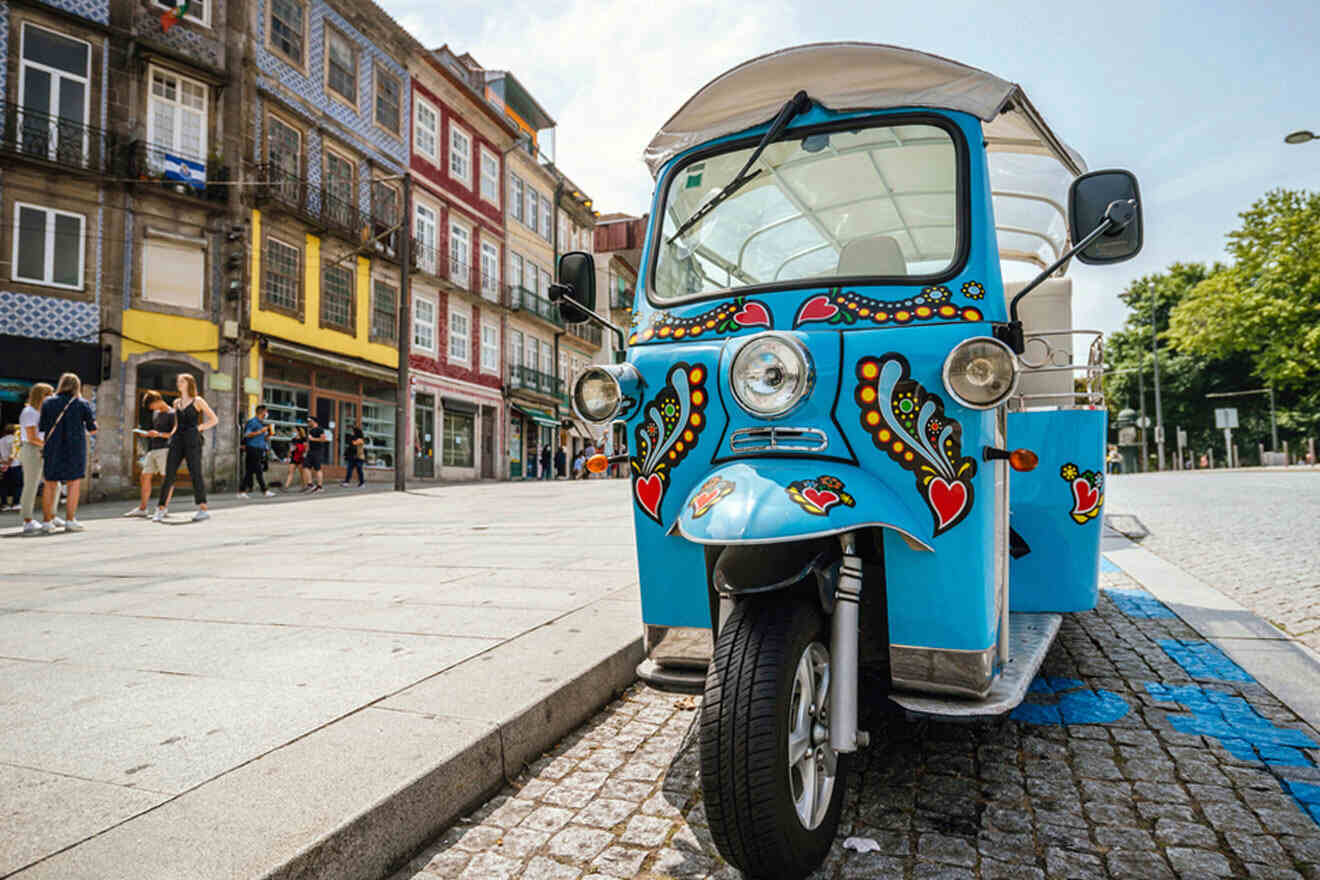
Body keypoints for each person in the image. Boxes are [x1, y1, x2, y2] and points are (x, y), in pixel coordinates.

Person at [153, 373, 219, 522]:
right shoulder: (176, 402)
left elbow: (214, 419)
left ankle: (203, 508)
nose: (179, 383)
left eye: (182, 381)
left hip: (192, 440)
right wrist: (170, 435)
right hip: (176, 440)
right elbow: (176, 423)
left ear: (189, 383)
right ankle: (161, 508)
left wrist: (199, 428)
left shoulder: (198, 401)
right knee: (169, 473)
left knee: (195, 473)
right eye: (178, 381)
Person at [38, 372, 97, 533]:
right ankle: (70, 520)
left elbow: (42, 427)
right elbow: (93, 429)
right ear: (77, 386)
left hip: (53, 447)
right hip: (75, 448)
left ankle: (46, 522)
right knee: (73, 484)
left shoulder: (48, 403)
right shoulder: (82, 403)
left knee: (50, 484)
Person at [124, 391, 177, 517]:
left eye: (151, 406)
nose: (151, 409)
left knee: (167, 479)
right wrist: (147, 434)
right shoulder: (156, 414)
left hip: (166, 449)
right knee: (145, 476)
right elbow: (157, 431)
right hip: (153, 449)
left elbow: (175, 435)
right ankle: (143, 509)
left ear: (157, 400)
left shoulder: (173, 414)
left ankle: (163, 508)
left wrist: (158, 434)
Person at [17, 384, 53, 535]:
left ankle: (52, 515)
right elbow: (31, 437)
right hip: (32, 450)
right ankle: (27, 520)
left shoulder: (41, 412)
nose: (51, 397)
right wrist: (47, 444)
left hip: (42, 448)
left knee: (53, 482)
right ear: (41, 395)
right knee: (31, 485)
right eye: (49, 394)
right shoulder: (29, 412)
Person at [239, 405, 275, 499]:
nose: (266, 414)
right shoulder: (253, 422)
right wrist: (260, 431)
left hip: (259, 448)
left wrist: (269, 434)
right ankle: (264, 490)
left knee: (251, 470)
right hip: (253, 448)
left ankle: (243, 490)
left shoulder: (261, 423)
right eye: (266, 412)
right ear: (261, 412)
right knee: (257, 470)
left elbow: (263, 437)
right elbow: (247, 434)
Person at [303, 415, 328, 492]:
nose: (308, 423)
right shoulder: (310, 430)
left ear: (313, 421)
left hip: (318, 451)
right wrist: (306, 449)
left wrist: (313, 439)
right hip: (310, 451)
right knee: (306, 466)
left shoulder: (319, 429)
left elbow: (324, 439)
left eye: (309, 421)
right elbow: (309, 441)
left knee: (318, 468)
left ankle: (320, 487)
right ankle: (310, 484)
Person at [0, 424, 19, 510]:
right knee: (18, 485)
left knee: (4, 485)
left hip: (3, 465)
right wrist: (9, 462)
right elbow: (13, 453)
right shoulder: (15, 440)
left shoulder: (1, 440)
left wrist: (3, 462)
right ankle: (16, 503)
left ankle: (4, 504)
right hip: (15, 465)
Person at [341, 423, 366, 487]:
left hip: (359, 457)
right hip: (352, 456)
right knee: (349, 470)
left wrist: (351, 438)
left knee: (359, 470)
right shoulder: (352, 438)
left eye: (353, 431)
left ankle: (362, 483)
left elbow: (354, 443)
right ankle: (346, 482)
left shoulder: (360, 439)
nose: (352, 432)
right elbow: (350, 446)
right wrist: (345, 454)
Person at [284, 425, 308, 490]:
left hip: (301, 457)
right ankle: (286, 486)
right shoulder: (293, 439)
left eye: (294, 430)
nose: (293, 432)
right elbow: (290, 449)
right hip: (294, 457)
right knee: (290, 472)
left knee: (302, 473)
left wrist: (300, 450)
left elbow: (306, 448)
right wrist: (288, 457)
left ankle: (304, 486)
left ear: (298, 431)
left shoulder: (303, 439)